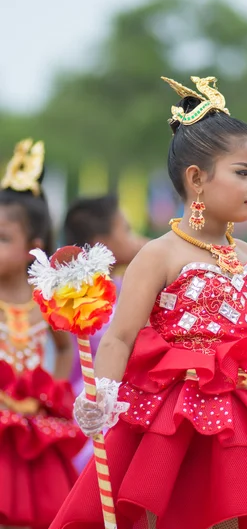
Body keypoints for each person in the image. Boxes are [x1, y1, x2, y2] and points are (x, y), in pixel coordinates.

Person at [22, 76, 247, 529]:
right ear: (196, 179)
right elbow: (121, 335)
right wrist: (101, 393)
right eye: (242, 172)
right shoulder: (159, 254)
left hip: (245, 433)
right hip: (180, 434)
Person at [0, 139, 85, 529]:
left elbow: (67, 346)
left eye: (3, 238)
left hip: (28, 434)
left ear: (33, 246)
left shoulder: (42, 299)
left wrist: (54, 387)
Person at [64, 194, 148, 471]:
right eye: (126, 229)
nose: (136, 238)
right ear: (103, 243)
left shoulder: (132, 288)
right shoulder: (72, 296)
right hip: (87, 406)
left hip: (124, 406)